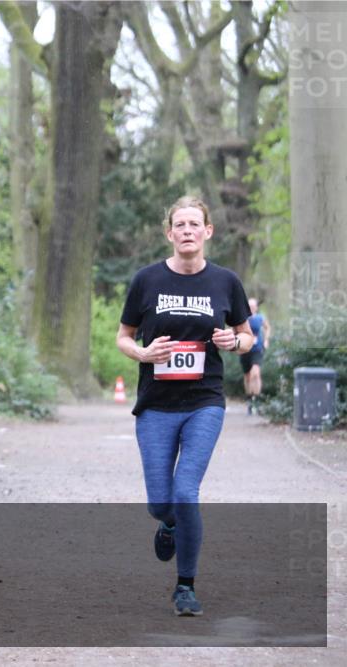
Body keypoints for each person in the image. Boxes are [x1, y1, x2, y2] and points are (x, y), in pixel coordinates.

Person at [116, 196, 253, 616]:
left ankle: (185, 586)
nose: (188, 230)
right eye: (181, 224)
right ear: (170, 233)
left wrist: (236, 343)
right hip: (156, 405)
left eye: (196, 223)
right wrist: (143, 355)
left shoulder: (226, 281)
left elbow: (247, 336)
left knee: (185, 491)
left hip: (204, 402)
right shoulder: (146, 280)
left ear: (208, 231)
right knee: (161, 503)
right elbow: (123, 336)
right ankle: (168, 523)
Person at [240, 298, 270, 414]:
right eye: (249, 306)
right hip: (245, 350)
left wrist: (266, 340)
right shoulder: (243, 317)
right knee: (247, 376)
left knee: (255, 373)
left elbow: (268, 328)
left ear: (256, 307)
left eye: (253, 306)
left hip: (257, 349)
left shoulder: (260, 318)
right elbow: (235, 329)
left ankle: (256, 400)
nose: (251, 308)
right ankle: (249, 401)